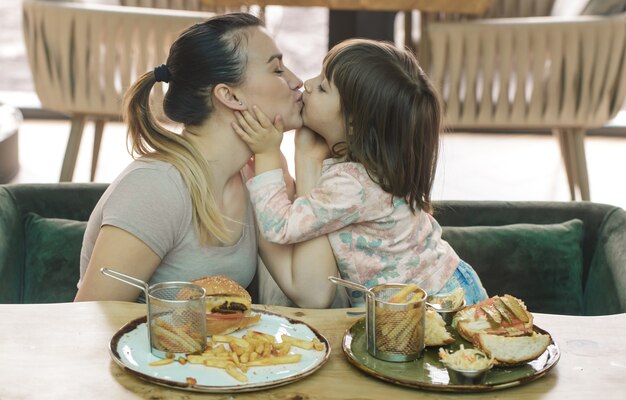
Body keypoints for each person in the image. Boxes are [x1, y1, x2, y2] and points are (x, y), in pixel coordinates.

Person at [74, 13, 342, 308]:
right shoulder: (156, 188)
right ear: (229, 95)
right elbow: (88, 323)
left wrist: (309, 161)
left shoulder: (257, 176)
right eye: (277, 69)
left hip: (210, 354)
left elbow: (313, 292)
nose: (297, 81)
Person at [233, 38, 489, 307]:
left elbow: (280, 226)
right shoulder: (369, 167)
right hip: (442, 288)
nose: (306, 84)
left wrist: (266, 154)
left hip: (436, 304)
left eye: (322, 87)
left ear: (353, 123)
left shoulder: (353, 185)